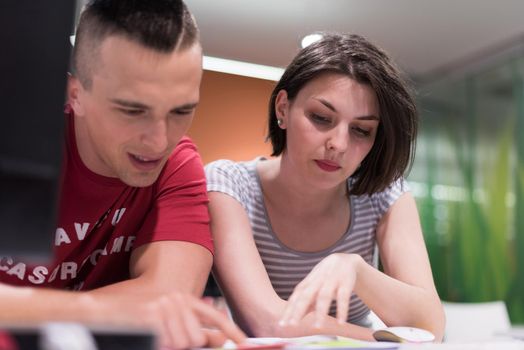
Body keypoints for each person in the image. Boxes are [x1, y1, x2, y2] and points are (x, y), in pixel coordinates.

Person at [0, 0, 245, 348]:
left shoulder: (178, 163)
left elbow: (169, 297)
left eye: (181, 111)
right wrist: (103, 311)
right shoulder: (14, 142)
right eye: (133, 110)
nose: (160, 141)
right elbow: (155, 309)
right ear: (75, 95)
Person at [205, 33, 446, 341]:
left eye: (361, 130)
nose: (339, 144)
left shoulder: (384, 192)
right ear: (283, 109)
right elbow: (268, 324)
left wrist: (356, 270)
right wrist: (383, 340)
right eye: (321, 118)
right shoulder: (228, 185)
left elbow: (431, 326)